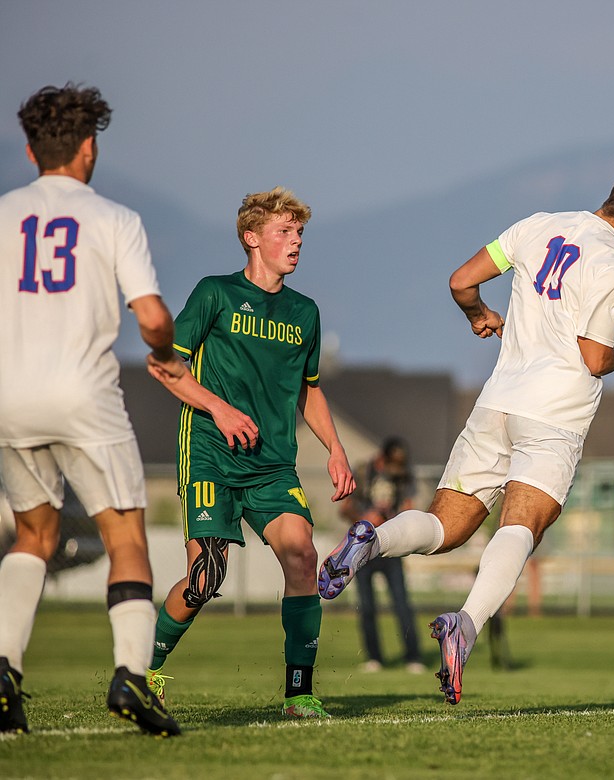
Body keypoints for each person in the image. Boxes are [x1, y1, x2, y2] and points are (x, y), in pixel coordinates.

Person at [318, 166, 614, 704]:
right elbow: (592, 358)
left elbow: (461, 281)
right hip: (554, 415)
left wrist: (480, 314)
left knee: (443, 527)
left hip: (497, 402)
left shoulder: (538, 225)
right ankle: (467, 626)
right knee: (522, 526)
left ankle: (371, 539)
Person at [0, 84, 180, 735]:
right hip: (84, 397)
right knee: (125, 537)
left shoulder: (3, 214)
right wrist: (166, 350)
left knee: (32, 536)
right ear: (89, 148)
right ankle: (132, 677)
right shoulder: (114, 219)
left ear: (28, 151)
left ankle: (3, 673)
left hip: (9, 398)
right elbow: (154, 319)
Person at [145, 187, 356, 719]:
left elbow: (310, 388)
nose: (296, 242)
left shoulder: (304, 312)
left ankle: (299, 694)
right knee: (205, 578)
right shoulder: (214, 294)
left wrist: (336, 449)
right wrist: (219, 408)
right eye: (284, 232)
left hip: (271, 465)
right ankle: (145, 672)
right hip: (212, 453)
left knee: (303, 554)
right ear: (251, 237)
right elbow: (168, 366)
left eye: (300, 233)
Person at [340, 436, 426, 674]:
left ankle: (413, 656)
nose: (396, 471)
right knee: (367, 606)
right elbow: (344, 509)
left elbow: (409, 509)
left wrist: (394, 522)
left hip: (392, 547)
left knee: (401, 604)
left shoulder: (404, 476)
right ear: (381, 459)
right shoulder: (362, 472)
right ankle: (374, 657)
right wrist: (365, 522)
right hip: (363, 550)